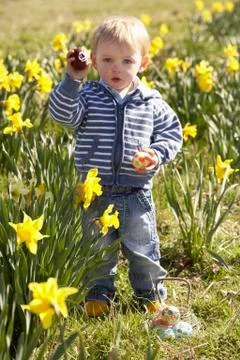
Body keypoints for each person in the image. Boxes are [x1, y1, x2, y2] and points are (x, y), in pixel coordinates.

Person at [49, 15, 183, 317]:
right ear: (94, 61)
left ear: (143, 63)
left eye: (126, 60)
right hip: (94, 193)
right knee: (97, 248)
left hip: (136, 193)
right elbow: (61, 115)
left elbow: (172, 133)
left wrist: (156, 154)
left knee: (143, 248)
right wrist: (72, 79)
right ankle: (99, 291)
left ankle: (149, 292)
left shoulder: (151, 101)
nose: (116, 68)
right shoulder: (87, 96)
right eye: (107, 59)